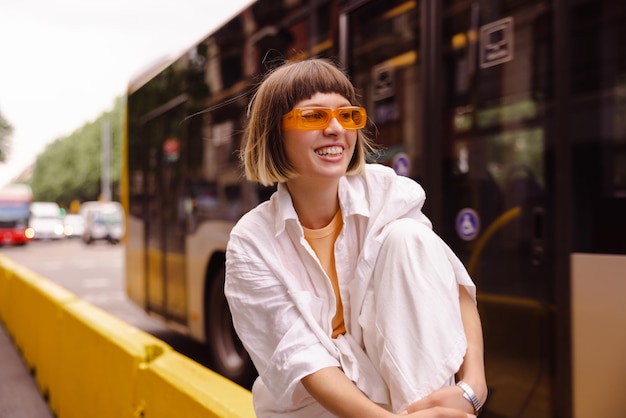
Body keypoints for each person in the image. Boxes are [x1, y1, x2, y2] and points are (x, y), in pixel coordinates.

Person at [225, 57, 487, 418]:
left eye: (347, 116)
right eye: (314, 116)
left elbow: (450, 286)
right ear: (275, 133)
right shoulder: (251, 242)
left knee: (409, 238)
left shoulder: (386, 191)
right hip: (318, 409)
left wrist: (474, 386)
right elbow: (304, 361)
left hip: (407, 395)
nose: (336, 129)